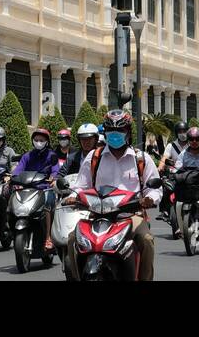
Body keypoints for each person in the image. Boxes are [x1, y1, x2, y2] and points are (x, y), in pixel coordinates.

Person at [67, 109, 160, 281]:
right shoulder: (94, 157)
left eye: (120, 130)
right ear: (105, 133)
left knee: (146, 240)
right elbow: (81, 185)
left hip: (130, 215)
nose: (115, 134)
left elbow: (154, 188)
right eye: (110, 131)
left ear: (128, 132)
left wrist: (150, 199)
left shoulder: (141, 159)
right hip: (97, 215)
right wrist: (74, 196)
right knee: (73, 239)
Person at [13, 127, 61, 251]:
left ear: (47, 141)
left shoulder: (52, 156)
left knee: (47, 205)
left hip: (45, 189)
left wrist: (53, 178)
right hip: (28, 188)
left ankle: (48, 238)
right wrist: (12, 177)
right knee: (13, 200)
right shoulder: (27, 156)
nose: (39, 142)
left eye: (42, 140)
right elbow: (19, 169)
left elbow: (56, 170)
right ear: (32, 140)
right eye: (36, 139)